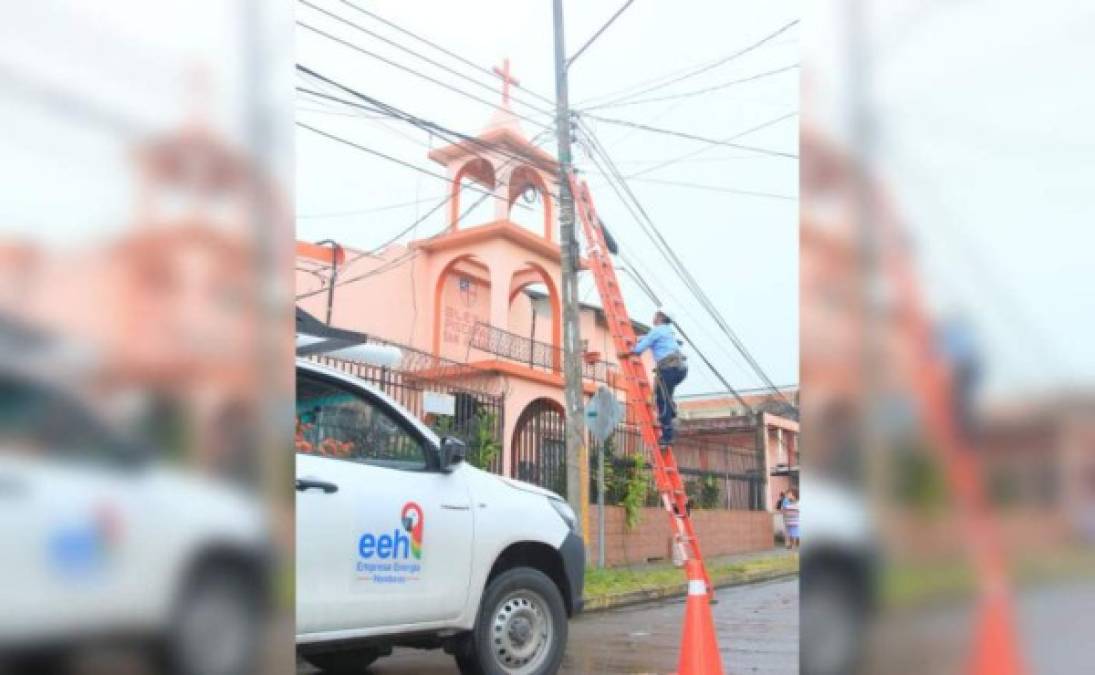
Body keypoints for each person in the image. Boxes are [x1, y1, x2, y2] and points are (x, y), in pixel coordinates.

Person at [627, 310, 687, 447]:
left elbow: (638, 350)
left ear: (660, 317)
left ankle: (667, 436)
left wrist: (628, 351)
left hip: (668, 369)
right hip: (680, 369)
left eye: (655, 314)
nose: (653, 316)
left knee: (662, 401)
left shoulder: (657, 330)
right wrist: (639, 339)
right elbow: (648, 339)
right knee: (666, 396)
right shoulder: (667, 332)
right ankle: (671, 414)